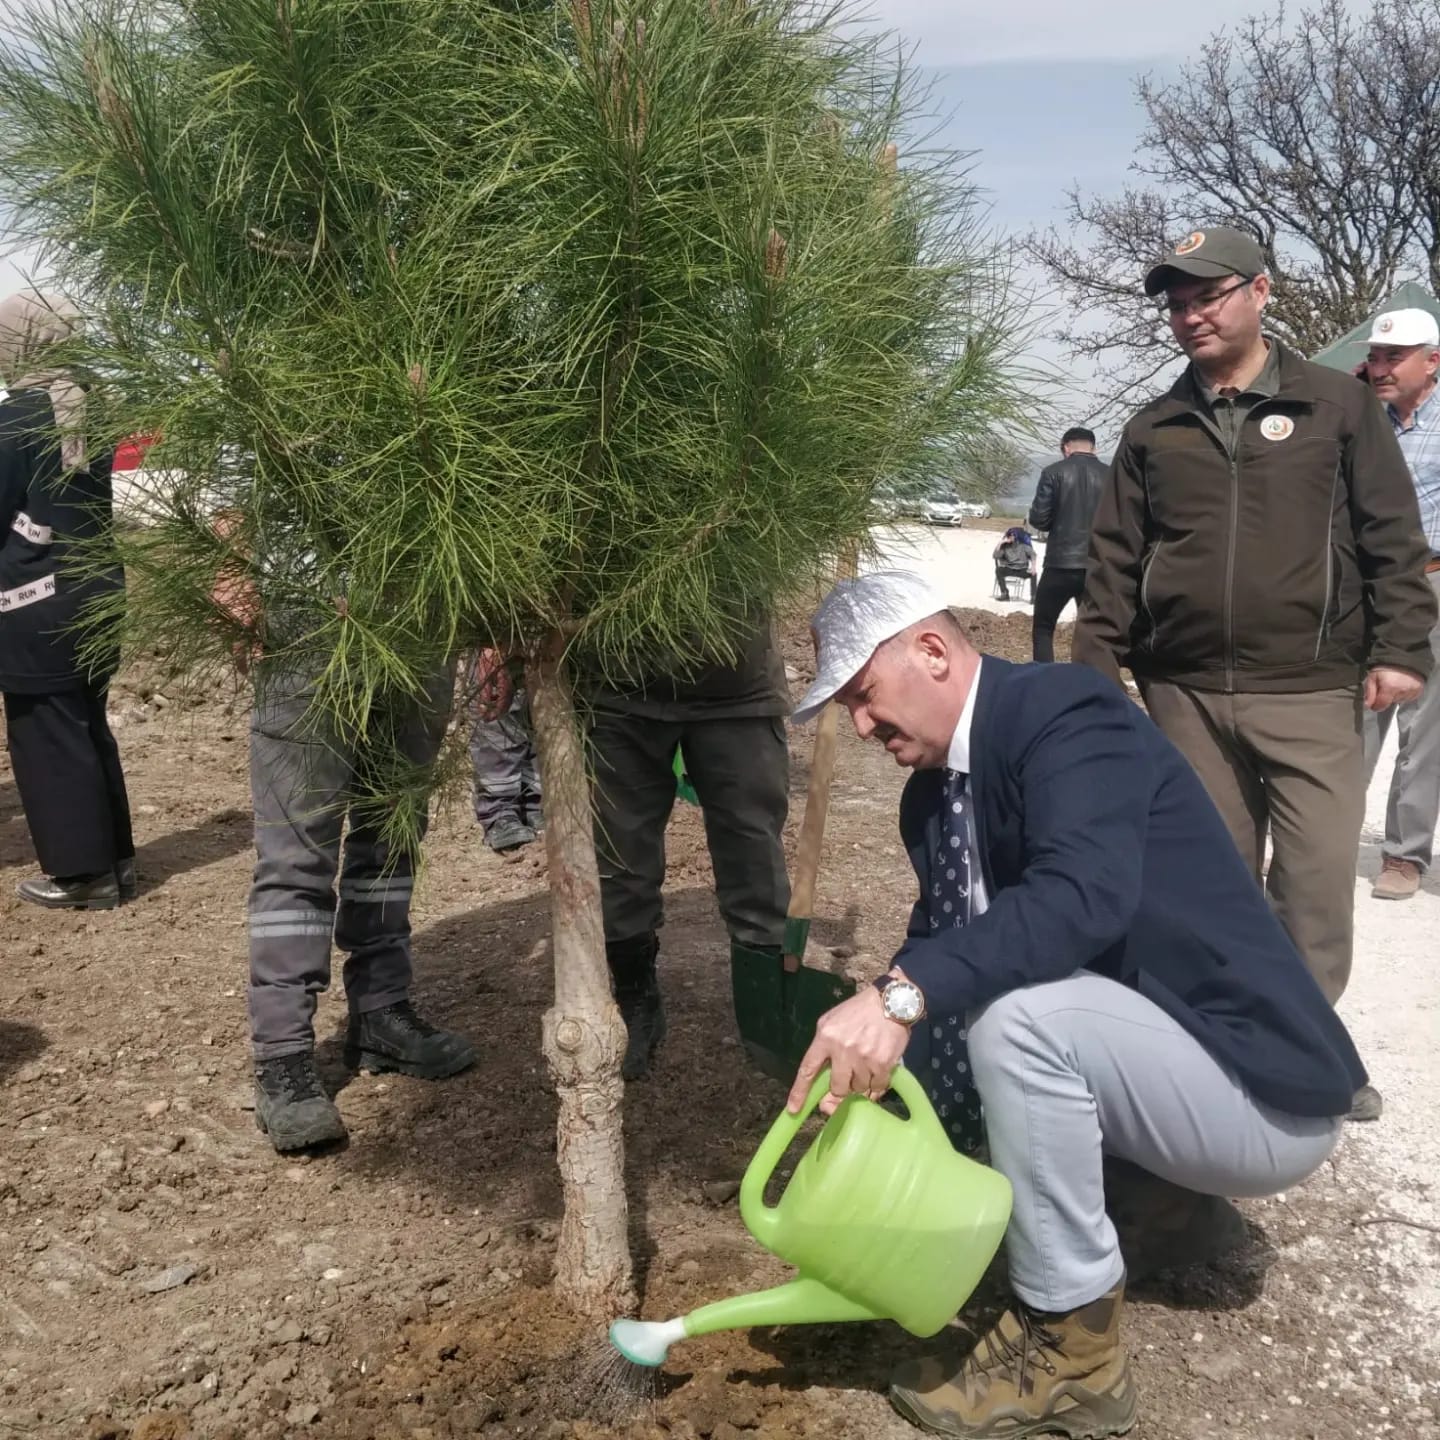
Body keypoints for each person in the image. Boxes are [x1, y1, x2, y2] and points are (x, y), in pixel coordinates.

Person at [786, 569, 1363, 1440]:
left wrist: (896, 999)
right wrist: (893, 1120)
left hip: (1264, 1097)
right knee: (991, 998)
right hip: (1181, 1073)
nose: (862, 727)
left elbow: (1080, 897)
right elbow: (952, 947)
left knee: (1024, 1025)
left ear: (933, 651)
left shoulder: (1066, 713)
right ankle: (1162, 1212)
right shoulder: (933, 800)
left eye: (864, 697)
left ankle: (1073, 1357)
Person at [1073, 226, 1435, 1123]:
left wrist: (1400, 649)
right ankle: (1216, 1053)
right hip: (1183, 695)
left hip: (1313, 690)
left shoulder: (1335, 408)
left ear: (1260, 293)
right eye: (1176, 301)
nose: (1190, 315)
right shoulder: (1154, 427)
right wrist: (1091, 672)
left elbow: (1392, 536)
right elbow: (1114, 558)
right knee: (1212, 889)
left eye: (1208, 295)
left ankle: (1309, 1054)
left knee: (1313, 889)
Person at [212, 511, 476, 1154]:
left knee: (392, 833)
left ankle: (381, 1011)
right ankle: (283, 1059)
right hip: (305, 622)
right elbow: (229, 447)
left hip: (420, 620)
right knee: (297, 854)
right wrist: (230, 563)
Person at [0, 288, 135, 911]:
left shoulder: (19, 417)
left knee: (47, 732)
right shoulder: (93, 408)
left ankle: (83, 873)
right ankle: (117, 861)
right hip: (99, 590)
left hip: (35, 600)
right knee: (87, 722)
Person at [1356, 308, 1440, 902]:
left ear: (1431, 361)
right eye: (1377, 356)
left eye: (1395, 357)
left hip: (1433, 580)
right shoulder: (1363, 421)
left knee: (1425, 727)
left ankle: (1404, 855)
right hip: (1367, 584)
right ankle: (1324, 838)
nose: (1381, 368)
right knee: (1354, 714)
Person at [1027, 425, 1107, 662]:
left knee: (1043, 628)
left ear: (1065, 448)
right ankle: (1091, 684)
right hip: (1096, 565)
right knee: (1095, 633)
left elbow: (1039, 520)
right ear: (1094, 448)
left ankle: (1045, 685)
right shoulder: (1110, 474)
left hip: (1060, 564)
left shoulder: (1053, 472)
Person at [468, 647, 541, 853]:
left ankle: (535, 802)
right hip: (500, 637)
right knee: (498, 703)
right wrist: (490, 647)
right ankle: (500, 811)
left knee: (542, 699)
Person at [990, 527, 1035, 603]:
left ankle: (1033, 597)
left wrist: (1033, 567)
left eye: (1012, 535)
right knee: (999, 570)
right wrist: (1000, 543)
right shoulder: (1005, 546)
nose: (1010, 537)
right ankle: (1004, 593)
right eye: (1009, 535)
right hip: (1010, 568)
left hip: (1022, 569)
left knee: (1034, 574)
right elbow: (995, 556)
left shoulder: (1023, 546)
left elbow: (1033, 555)